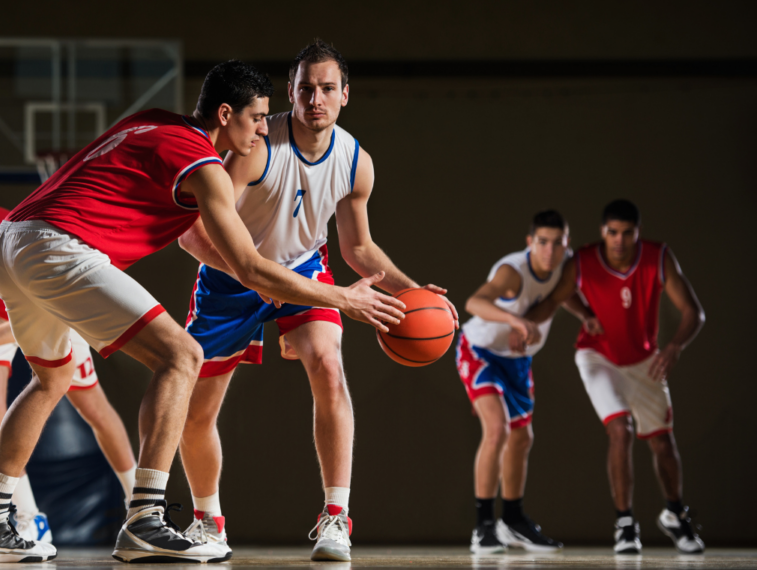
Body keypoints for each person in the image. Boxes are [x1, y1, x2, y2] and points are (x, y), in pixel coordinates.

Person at [0, 60, 406, 564]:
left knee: (50, 381)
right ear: (224, 113)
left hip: (10, 242)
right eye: (257, 118)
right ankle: (145, 519)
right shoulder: (205, 165)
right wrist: (343, 297)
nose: (264, 128)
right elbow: (252, 268)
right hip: (61, 247)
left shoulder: (151, 120)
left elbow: (198, 236)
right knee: (181, 357)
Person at [176, 40, 457, 562]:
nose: (315, 98)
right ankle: (207, 521)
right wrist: (248, 274)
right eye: (306, 88)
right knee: (195, 412)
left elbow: (358, 248)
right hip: (230, 279)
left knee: (328, 364)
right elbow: (192, 232)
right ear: (291, 92)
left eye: (327, 88)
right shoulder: (256, 147)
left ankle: (336, 518)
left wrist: (410, 288)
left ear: (345, 95)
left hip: (305, 270)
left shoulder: (355, 162)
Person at [0, 154, 138, 542]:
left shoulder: (1, 237)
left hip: (47, 310)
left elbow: (37, 311)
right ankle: (29, 516)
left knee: (94, 410)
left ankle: (139, 505)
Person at [525, 199, 705, 554]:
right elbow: (553, 300)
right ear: (602, 232)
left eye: (626, 233)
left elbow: (694, 313)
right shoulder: (583, 261)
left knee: (662, 443)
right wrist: (520, 323)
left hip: (644, 359)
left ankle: (674, 514)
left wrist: (673, 347)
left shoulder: (658, 257)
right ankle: (625, 524)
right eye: (612, 232)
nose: (619, 240)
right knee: (620, 429)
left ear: (637, 233)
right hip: (597, 356)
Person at [455, 211, 568, 554]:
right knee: (498, 430)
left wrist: (588, 316)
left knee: (522, 438)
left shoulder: (567, 264)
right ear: (530, 242)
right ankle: (483, 526)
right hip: (481, 350)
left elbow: (560, 295)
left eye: (557, 242)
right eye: (542, 242)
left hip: (516, 360)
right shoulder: (513, 273)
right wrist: (515, 321)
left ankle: (513, 521)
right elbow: (473, 302)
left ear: (566, 243)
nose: (549, 250)